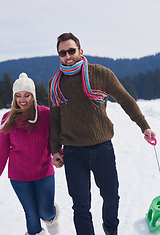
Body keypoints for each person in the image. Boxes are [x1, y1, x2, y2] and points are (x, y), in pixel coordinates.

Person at [48, 33, 156, 235]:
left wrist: (144, 126)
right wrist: (55, 149)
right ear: (59, 56)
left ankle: (110, 229)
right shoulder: (56, 83)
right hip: (73, 152)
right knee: (80, 206)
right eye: (62, 53)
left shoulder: (101, 74)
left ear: (81, 51)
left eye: (71, 50)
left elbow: (126, 100)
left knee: (111, 196)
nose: (67, 56)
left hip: (102, 147)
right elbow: (55, 119)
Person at [0, 73, 60, 235]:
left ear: (33, 96)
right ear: (14, 97)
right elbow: (2, 150)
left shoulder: (45, 114)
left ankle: (52, 215)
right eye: (18, 96)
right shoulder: (7, 119)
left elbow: (53, 139)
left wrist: (58, 153)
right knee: (31, 215)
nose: (22, 99)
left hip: (43, 172)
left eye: (27, 95)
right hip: (19, 177)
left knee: (45, 212)